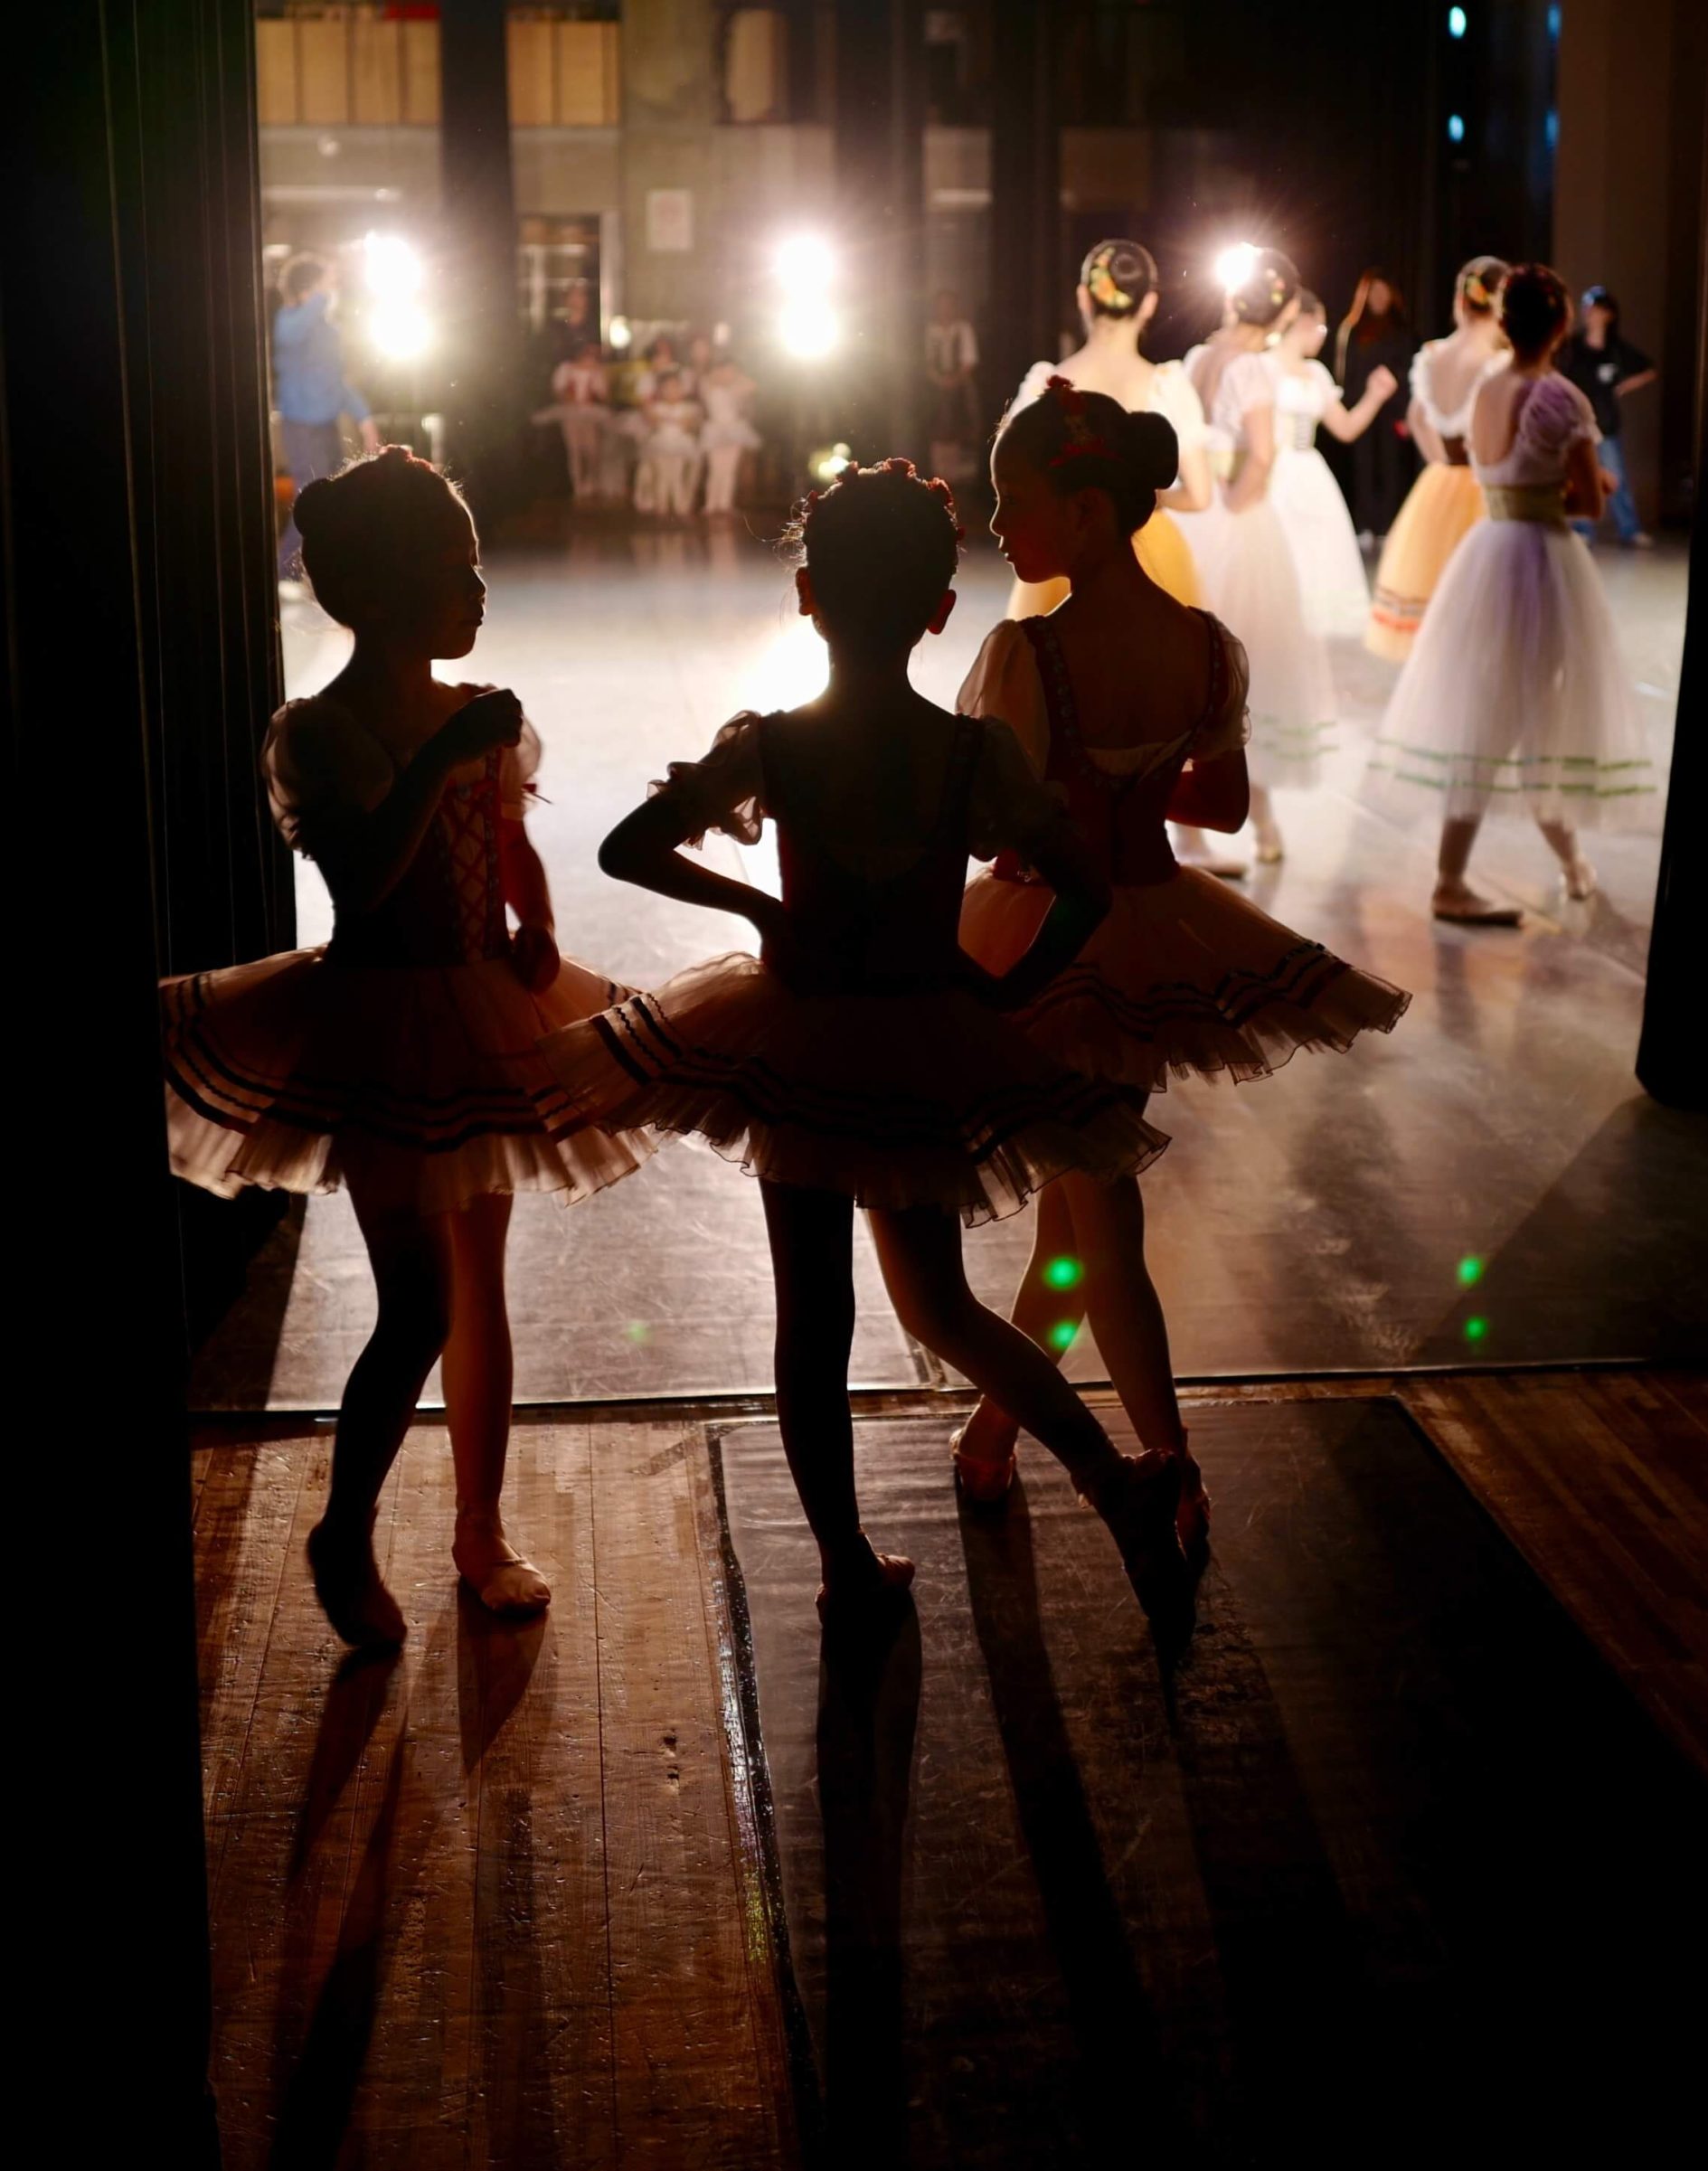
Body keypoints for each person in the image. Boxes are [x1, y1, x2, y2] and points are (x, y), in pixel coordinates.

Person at [547, 459, 1192, 1622]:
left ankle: (845, 1565)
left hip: (794, 1045)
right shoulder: (965, 757)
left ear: (806, 594)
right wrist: (1003, 991)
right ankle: (1111, 1484)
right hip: (916, 1040)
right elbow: (1085, 889)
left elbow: (625, 847)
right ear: (941, 610)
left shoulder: (778, 747)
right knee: (942, 1307)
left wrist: (757, 910)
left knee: (815, 1320)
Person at [161, 449, 653, 1646]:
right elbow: (368, 883)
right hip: (380, 1023)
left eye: (478, 565)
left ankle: (479, 1529)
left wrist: (534, 924)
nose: (479, 591)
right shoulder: (321, 735)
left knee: (478, 1287)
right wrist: (438, 761)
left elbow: (502, 832)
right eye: (455, 568)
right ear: (381, 593)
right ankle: (344, 1525)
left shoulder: (474, 718)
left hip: (481, 1014)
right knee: (417, 1305)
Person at [951, 381, 1411, 1538]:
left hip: (1050, 937)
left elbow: (995, 826)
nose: (1000, 528)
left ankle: (1169, 1470)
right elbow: (1224, 799)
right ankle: (994, 1434)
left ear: (1090, 513)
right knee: (1075, 1218)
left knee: (1099, 1223)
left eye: (1016, 503)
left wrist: (1068, 792)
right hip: (1153, 931)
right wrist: (1138, 779)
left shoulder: (1028, 654)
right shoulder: (1206, 650)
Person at [1373, 265, 1657, 924]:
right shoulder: (1559, 397)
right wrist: (1590, 490)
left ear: (1505, 324)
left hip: (1488, 549)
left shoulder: (1487, 389)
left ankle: (1561, 863)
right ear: (1559, 326)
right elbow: (1586, 500)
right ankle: (1464, 878)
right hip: (1539, 555)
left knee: (1499, 710)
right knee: (1530, 715)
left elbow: (1485, 465)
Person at [1179, 246, 1333, 869]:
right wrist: (1238, 508)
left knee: (1205, 675)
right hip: (1239, 524)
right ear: (1284, 308)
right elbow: (1264, 454)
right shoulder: (1255, 368)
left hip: (1196, 517)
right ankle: (1253, 824)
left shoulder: (1198, 356)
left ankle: (1216, 825)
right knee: (1248, 676)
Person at [1005, 241, 1211, 624]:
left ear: (1084, 297)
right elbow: (1200, 495)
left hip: (1064, 550)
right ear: (1148, 304)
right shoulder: (1167, 385)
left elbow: (1011, 474)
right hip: (1148, 550)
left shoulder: (1043, 384)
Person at [1364, 257, 1509, 663]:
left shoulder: (1433, 355)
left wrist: (1440, 463)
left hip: (1441, 484)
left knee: (1439, 588)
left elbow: (1416, 416)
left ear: (1461, 300)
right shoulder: (1497, 362)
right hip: (1483, 487)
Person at [1269, 291, 1398, 636]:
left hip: (1309, 473)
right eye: (1321, 326)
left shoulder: (1316, 373)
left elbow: (1345, 427)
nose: (1323, 335)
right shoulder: (1262, 366)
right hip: (1271, 470)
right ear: (1303, 322)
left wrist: (1374, 395)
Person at [272, 253, 379, 588]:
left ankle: (322, 569)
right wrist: (320, 287)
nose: (330, 292)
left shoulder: (329, 332)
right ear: (308, 290)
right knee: (311, 497)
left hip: (326, 424)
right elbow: (292, 334)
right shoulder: (289, 321)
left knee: (336, 495)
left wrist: (365, 420)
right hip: (300, 424)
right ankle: (285, 570)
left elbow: (338, 382)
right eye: (323, 287)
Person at [1557, 288, 1657, 546]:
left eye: (1597, 309)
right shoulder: (1574, 347)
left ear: (1608, 314)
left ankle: (1630, 529)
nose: (1591, 314)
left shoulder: (1615, 349)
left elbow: (1649, 369)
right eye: (1587, 309)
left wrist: (1624, 386)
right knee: (1580, 477)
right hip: (1579, 425)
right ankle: (1582, 529)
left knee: (1616, 478)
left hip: (1607, 424)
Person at [1332, 270, 1417, 544]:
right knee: (1363, 467)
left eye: (1384, 292)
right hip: (1361, 410)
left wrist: (1403, 408)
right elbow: (1347, 373)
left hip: (1392, 410)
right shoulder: (1354, 330)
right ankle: (1366, 524)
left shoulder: (1403, 331)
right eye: (1374, 292)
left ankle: (1388, 525)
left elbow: (1409, 372)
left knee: (1392, 467)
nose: (1379, 298)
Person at [924, 289, 982, 482]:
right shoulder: (931, 331)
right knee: (937, 428)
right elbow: (927, 362)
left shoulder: (963, 329)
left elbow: (969, 361)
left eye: (949, 305)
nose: (945, 310)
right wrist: (939, 380)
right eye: (941, 305)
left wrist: (954, 381)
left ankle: (958, 478)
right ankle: (938, 475)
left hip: (959, 386)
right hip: (935, 387)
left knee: (959, 428)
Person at [699, 348, 761, 517]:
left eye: (731, 370)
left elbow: (752, 386)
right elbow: (705, 386)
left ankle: (725, 504)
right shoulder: (708, 385)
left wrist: (735, 377)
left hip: (735, 429)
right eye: (724, 369)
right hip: (714, 429)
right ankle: (710, 504)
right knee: (715, 469)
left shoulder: (737, 387)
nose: (727, 373)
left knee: (729, 470)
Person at [635, 369, 703, 516]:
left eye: (676, 387)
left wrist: (678, 420)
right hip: (660, 444)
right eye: (667, 388)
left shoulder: (689, 408)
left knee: (677, 475)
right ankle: (662, 507)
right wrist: (651, 412)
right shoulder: (657, 407)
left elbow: (689, 425)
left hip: (680, 445)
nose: (672, 391)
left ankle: (681, 507)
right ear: (660, 390)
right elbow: (651, 422)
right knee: (662, 476)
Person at [550, 339, 610, 505]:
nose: (590, 358)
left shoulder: (597, 372)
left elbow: (603, 395)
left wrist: (598, 376)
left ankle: (592, 482)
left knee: (591, 449)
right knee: (574, 450)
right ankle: (578, 485)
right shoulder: (565, 369)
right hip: (570, 413)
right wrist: (570, 398)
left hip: (590, 414)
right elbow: (558, 392)